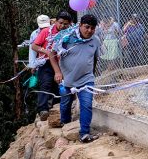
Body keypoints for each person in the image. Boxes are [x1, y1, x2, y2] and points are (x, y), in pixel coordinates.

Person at [48, 14, 102, 143]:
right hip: (67, 79)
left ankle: (84, 133)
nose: (89, 31)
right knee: (66, 103)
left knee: (87, 104)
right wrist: (57, 72)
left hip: (86, 79)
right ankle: (66, 124)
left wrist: (91, 74)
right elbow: (51, 53)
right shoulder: (66, 38)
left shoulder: (95, 41)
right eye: (87, 27)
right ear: (80, 25)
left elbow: (94, 59)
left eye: (92, 28)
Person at [31, 11, 72, 121]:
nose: (62, 26)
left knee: (58, 85)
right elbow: (34, 46)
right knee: (46, 83)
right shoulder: (46, 32)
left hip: (62, 61)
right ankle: (42, 109)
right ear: (56, 21)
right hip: (46, 62)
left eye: (65, 24)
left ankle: (57, 108)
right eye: (61, 23)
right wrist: (45, 51)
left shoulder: (70, 33)